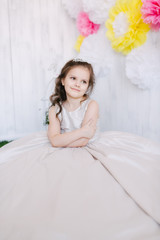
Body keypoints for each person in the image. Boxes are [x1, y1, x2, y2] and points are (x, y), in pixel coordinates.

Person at [0, 59, 160, 240]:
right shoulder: (55, 109)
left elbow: (83, 141)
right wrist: (81, 131)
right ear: (62, 80)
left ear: (88, 86)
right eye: (73, 78)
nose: (77, 84)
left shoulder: (91, 105)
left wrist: (65, 139)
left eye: (83, 81)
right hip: (66, 144)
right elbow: (54, 140)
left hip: (93, 147)